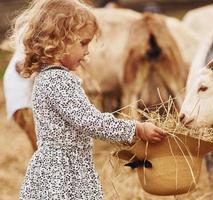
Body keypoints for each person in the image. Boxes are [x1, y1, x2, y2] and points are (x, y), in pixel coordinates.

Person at [9, 0, 165, 199]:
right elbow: (90, 121)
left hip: (59, 168)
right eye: (83, 43)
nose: (87, 51)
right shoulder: (59, 80)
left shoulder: (47, 77)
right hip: (63, 175)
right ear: (58, 40)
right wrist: (135, 129)